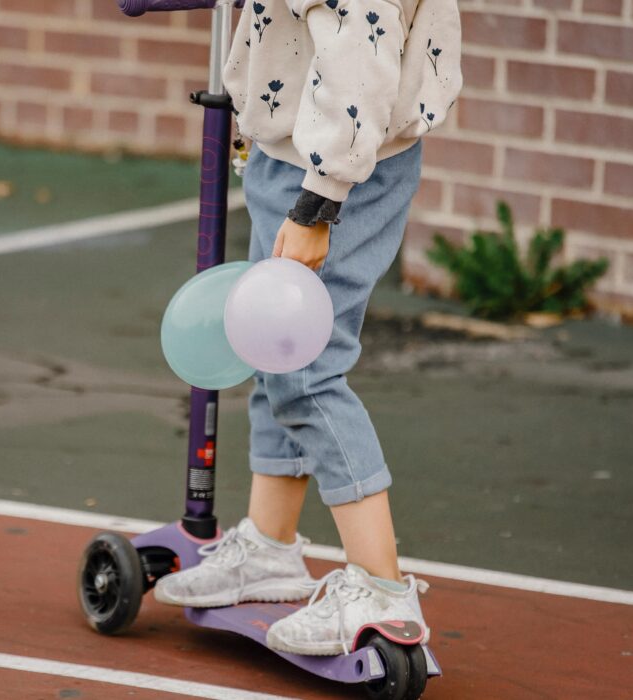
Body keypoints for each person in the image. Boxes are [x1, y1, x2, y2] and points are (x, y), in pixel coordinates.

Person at [153, 0, 462, 657]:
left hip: (335, 171)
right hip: (293, 148)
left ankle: (382, 587)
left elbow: (362, 57)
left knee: (306, 370)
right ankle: (268, 546)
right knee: (275, 349)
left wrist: (320, 199)